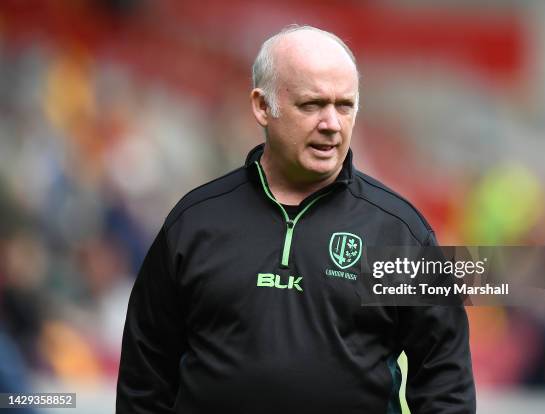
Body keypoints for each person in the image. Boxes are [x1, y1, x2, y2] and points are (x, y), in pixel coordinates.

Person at [116, 25, 476, 414]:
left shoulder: (397, 231)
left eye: (344, 105)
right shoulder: (196, 221)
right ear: (261, 106)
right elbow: (145, 376)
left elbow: (445, 383)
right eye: (311, 105)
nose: (332, 124)